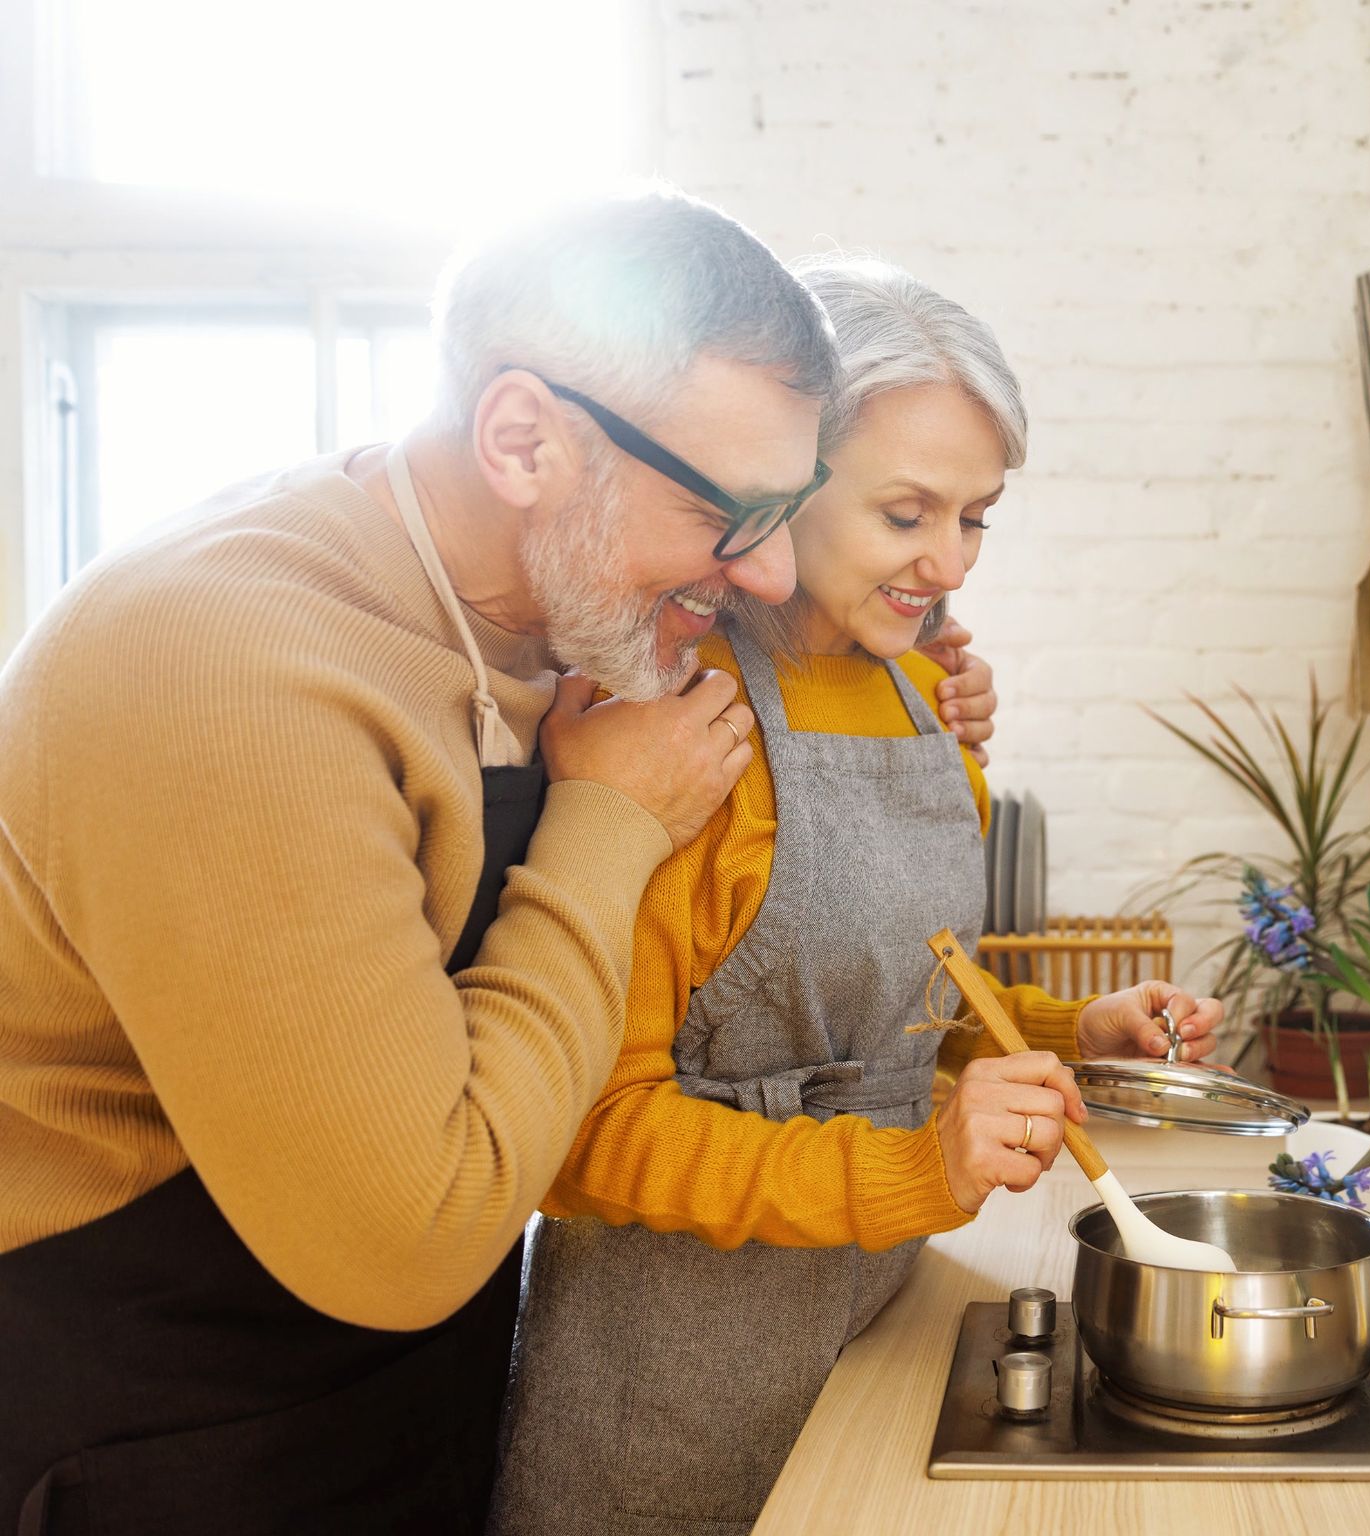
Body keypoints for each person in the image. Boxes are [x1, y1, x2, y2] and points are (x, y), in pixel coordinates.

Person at [0, 191, 1000, 1536]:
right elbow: (407, 1236)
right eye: (731, 512)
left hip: (416, 1393)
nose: (765, 575)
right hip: (168, 1428)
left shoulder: (540, 611)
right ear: (522, 438)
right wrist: (610, 822)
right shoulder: (226, 666)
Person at [494, 256, 1223, 1536]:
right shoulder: (669, 727)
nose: (950, 562)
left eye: (977, 516)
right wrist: (916, 1165)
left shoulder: (925, 695)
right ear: (783, 480)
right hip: (670, 1397)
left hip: (880, 1329)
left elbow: (899, 985)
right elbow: (584, 1134)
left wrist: (1067, 1037)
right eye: (908, 515)